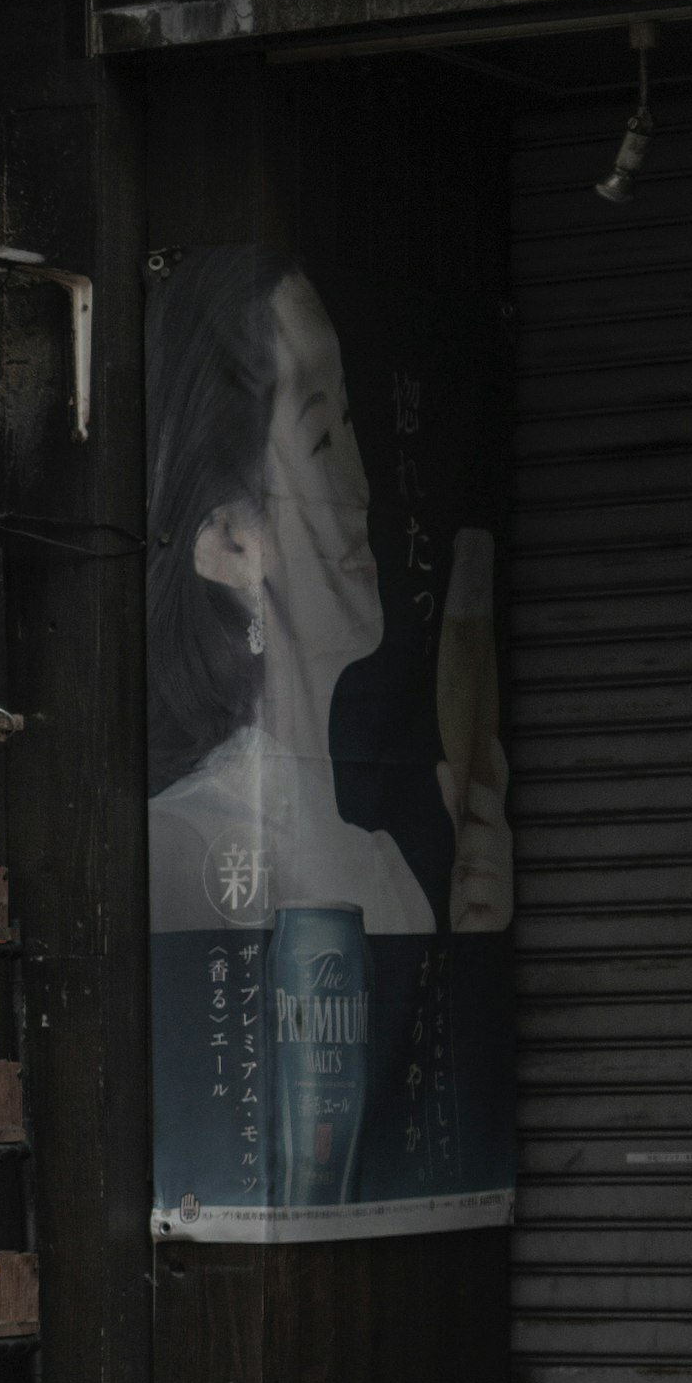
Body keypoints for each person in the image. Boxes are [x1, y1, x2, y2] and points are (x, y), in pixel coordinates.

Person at [144, 247, 445, 938]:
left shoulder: (377, 857)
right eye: (317, 444)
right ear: (229, 541)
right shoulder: (181, 844)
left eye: (349, 425)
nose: (361, 491)